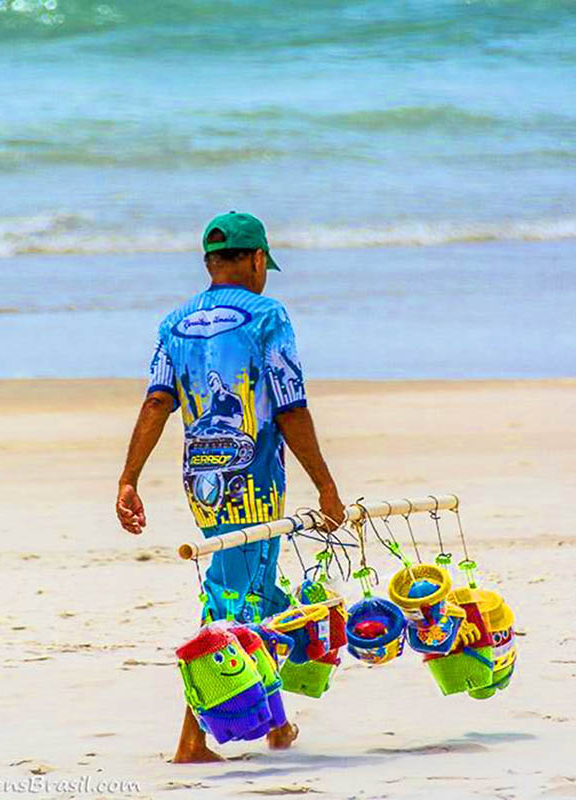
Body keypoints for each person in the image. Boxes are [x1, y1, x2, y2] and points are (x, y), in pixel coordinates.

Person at [115, 211, 344, 763]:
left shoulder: (175, 322)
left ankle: (274, 722)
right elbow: (289, 405)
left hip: (203, 477)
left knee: (255, 588)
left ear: (210, 263)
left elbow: (156, 401)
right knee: (231, 600)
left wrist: (129, 478)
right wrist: (327, 488)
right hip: (256, 479)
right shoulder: (267, 315)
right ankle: (192, 740)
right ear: (257, 259)